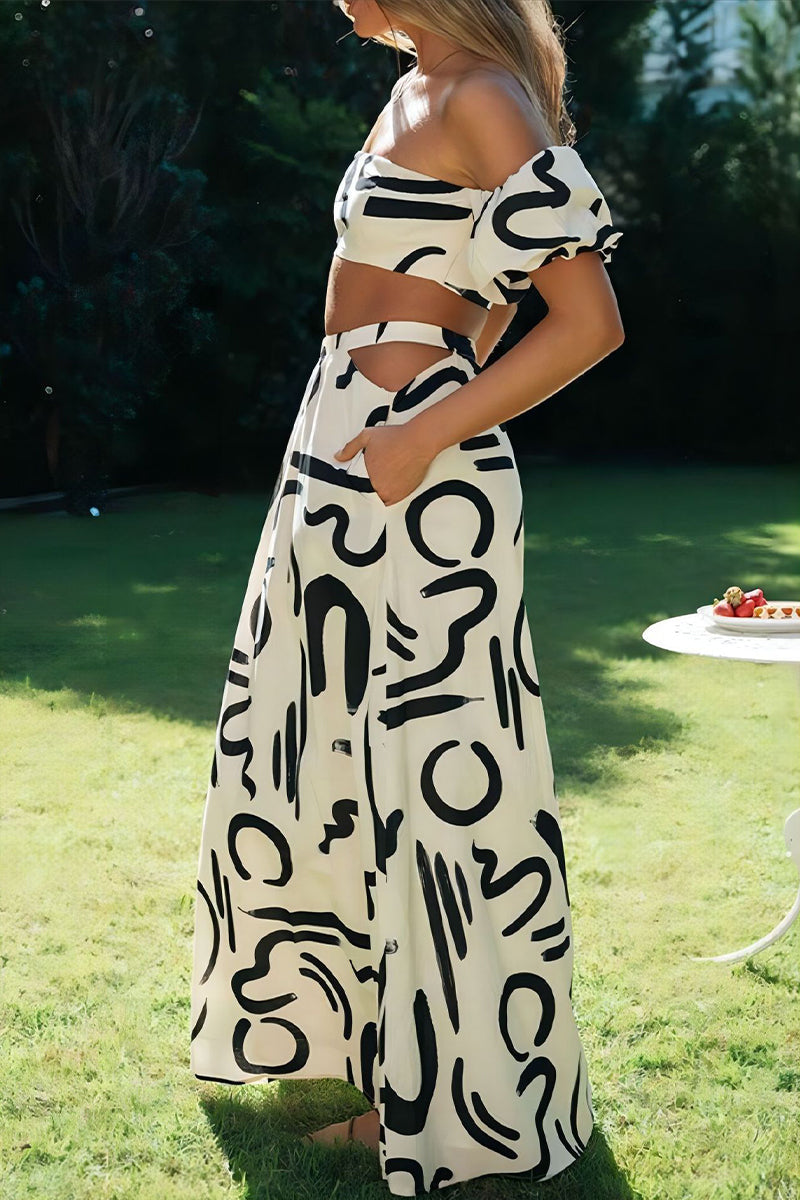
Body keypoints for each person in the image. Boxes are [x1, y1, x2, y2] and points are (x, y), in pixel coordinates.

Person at [189, 0, 624, 1194]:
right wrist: (391, 417)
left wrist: (423, 427)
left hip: (417, 481)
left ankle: (461, 1106)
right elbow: (484, 282)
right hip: (344, 454)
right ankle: (387, 1072)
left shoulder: (482, 94)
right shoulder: (417, 85)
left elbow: (587, 321)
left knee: (434, 784)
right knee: (329, 761)